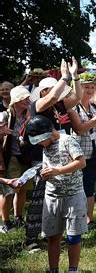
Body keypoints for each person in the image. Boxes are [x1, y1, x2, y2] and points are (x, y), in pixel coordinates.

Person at [26, 115, 86, 273]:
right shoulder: (46, 146)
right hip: (52, 196)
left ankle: (73, 269)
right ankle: (53, 270)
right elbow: (50, 165)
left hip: (73, 195)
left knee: (73, 236)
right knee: (53, 236)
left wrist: (58, 170)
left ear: (48, 133)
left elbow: (81, 162)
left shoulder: (67, 141)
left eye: (40, 140)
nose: (39, 144)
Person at [69, 72, 96, 230]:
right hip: (77, 155)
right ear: (79, 88)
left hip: (93, 153)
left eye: (93, 87)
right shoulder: (73, 107)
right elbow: (79, 129)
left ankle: (89, 221)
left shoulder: (94, 106)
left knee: (90, 187)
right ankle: (75, 220)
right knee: (77, 187)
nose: (91, 90)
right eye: (86, 87)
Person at [0, 86, 32, 234]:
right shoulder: (5, 116)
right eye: (25, 98)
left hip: (25, 156)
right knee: (8, 190)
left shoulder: (29, 115)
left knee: (22, 188)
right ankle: (5, 222)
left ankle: (18, 217)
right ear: (17, 99)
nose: (28, 100)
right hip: (11, 157)